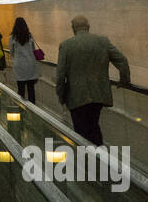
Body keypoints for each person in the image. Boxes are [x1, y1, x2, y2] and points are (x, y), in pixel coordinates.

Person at [55, 15, 130, 145]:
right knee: (94, 125)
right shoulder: (103, 41)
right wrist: (124, 80)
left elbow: (60, 75)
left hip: (76, 97)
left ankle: (86, 160)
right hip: (98, 94)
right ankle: (98, 157)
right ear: (88, 27)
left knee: (80, 130)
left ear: (73, 28)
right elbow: (122, 60)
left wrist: (61, 95)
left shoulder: (66, 46)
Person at [9, 17, 40, 103]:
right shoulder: (29, 35)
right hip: (30, 64)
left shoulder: (12, 37)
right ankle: (33, 109)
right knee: (31, 89)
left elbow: (11, 52)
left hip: (19, 65)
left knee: (21, 90)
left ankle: (21, 110)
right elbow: (33, 50)